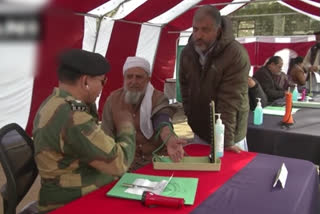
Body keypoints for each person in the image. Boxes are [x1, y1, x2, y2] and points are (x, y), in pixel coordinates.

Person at [32, 49, 136, 212]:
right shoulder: (73, 116)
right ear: (85, 81)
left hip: (66, 192)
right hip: (72, 204)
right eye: (102, 81)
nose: (103, 87)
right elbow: (119, 163)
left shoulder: (55, 102)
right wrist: (126, 125)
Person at [179, 5, 251, 153]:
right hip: (200, 130)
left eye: (205, 30)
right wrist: (191, 115)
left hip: (229, 134)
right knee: (201, 174)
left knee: (231, 174)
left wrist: (225, 141)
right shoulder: (188, 52)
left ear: (218, 31)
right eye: (195, 29)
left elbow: (230, 100)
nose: (198, 35)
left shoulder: (235, 54)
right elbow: (185, 88)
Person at [101, 56, 186, 171]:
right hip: (126, 164)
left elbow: (162, 121)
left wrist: (169, 138)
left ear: (148, 79)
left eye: (139, 77)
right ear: (124, 78)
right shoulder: (113, 100)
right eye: (129, 77)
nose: (133, 81)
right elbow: (106, 134)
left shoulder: (158, 98)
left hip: (156, 161)